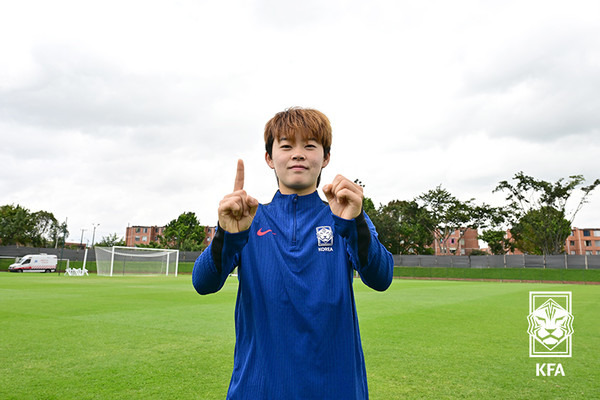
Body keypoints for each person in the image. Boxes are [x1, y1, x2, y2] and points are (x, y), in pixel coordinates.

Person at [192, 107, 393, 399]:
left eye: (310, 145)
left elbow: (381, 277)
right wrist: (228, 234)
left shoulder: (345, 215)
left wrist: (354, 223)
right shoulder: (248, 218)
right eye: (286, 145)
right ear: (270, 158)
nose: (298, 154)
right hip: (258, 388)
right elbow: (203, 283)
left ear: (325, 157)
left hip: (336, 388)